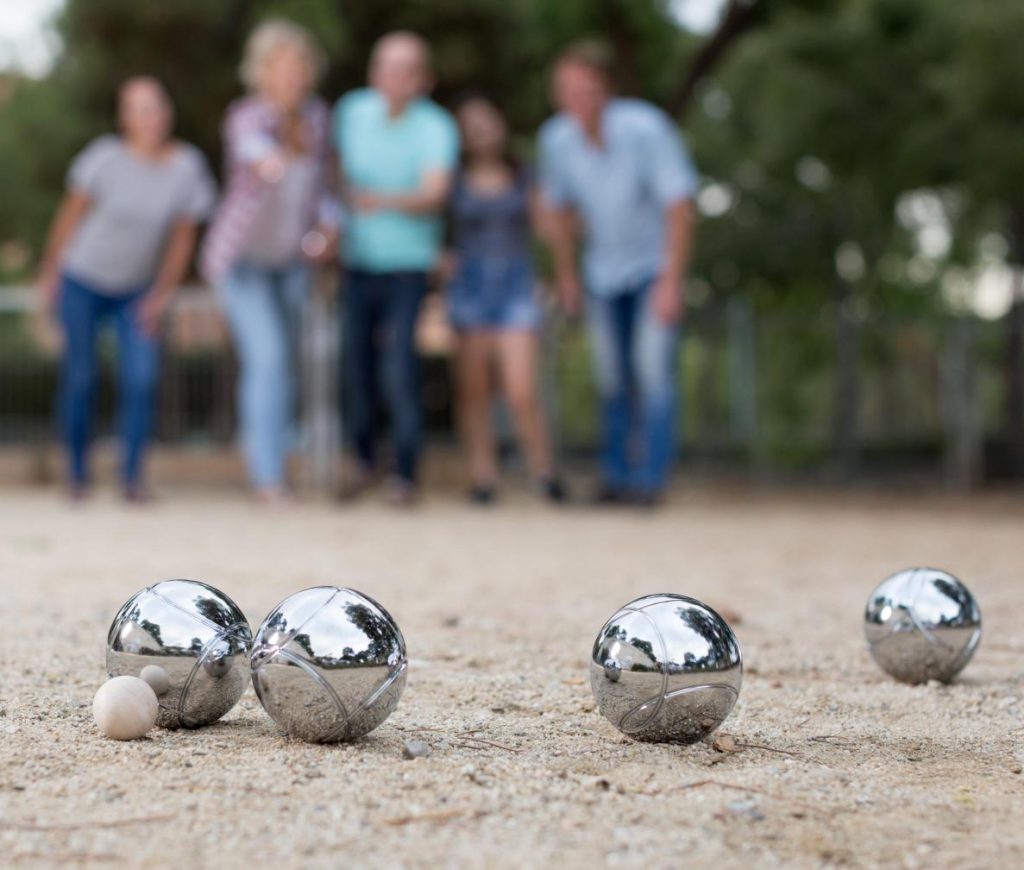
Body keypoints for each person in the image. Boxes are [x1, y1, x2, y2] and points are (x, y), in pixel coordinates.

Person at [36, 76, 216, 502]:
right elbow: (70, 215)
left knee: (141, 378)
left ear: (168, 112)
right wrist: (50, 273)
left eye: (157, 106)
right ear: (125, 118)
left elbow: (183, 238)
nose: (151, 117)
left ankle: (131, 477)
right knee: (80, 376)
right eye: (140, 108)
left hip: (137, 289)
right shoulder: (102, 158)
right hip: (83, 279)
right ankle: (77, 475)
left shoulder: (186, 167)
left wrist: (161, 294)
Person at [539, 42, 699, 507]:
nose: (577, 99)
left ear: (604, 89)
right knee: (610, 377)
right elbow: (560, 213)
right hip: (601, 273)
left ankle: (650, 481)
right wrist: (566, 276)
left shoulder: (646, 127)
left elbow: (680, 207)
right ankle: (616, 476)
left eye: (585, 89)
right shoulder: (556, 140)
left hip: (652, 268)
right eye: (567, 90)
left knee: (652, 373)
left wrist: (671, 281)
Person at [201, 20, 339, 504]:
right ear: (262, 73)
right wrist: (282, 146)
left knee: (295, 364)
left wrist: (328, 225)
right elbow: (261, 160)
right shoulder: (247, 117)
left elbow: (318, 190)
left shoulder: (319, 118)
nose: (294, 77)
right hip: (242, 262)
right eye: (282, 67)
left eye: (300, 67)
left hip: (291, 261)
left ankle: (277, 459)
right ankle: (268, 477)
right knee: (269, 359)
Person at [334, 31, 458, 507]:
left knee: (399, 367)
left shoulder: (436, 125)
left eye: (406, 68)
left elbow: (435, 194)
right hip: (356, 262)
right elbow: (337, 179)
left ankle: (405, 472)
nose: (394, 77)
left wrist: (375, 199)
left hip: (408, 265)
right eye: (386, 65)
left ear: (423, 78)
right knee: (356, 367)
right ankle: (366, 461)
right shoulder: (351, 111)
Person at [447, 95, 566, 505]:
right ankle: (483, 479)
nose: (479, 130)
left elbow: (549, 228)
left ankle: (545, 474)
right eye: (470, 124)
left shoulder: (524, 176)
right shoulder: (454, 178)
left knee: (521, 390)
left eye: (486, 120)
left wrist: (556, 273)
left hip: (516, 287)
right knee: (474, 391)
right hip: (469, 289)